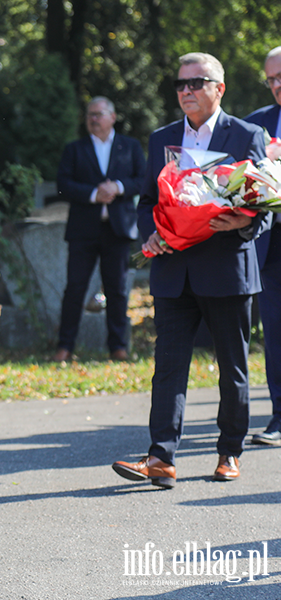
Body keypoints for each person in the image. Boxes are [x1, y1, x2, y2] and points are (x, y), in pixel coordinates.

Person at [112, 53, 266, 488]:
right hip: (173, 270)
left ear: (219, 88)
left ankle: (229, 451)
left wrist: (246, 222)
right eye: (180, 84)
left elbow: (264, 204)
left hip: (226, 269)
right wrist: (150, 235)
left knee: (232, 368)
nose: (186, 91)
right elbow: (146, 202)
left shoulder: (247, 134)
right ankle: (161, 457)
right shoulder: (162, 137)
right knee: (169, 367)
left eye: (196, 83)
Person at [53, 97, 146, 362]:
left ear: (113, 117)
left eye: (99, 114)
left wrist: (118, 187)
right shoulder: (75, 149)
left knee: (117, 290)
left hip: (117, 230)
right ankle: (65, 347)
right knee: (75, 289)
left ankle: (118, 347)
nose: (93, 119)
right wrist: (94, 193)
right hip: (83, 230)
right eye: (89, 115)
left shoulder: (130, 146)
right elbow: (63, 184)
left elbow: (143, 180)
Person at [244, 46, 281, 446]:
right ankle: (280, 415)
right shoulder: (256, 126)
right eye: (270, 79)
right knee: (276, 328)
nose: (276, 86)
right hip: (272, 241)